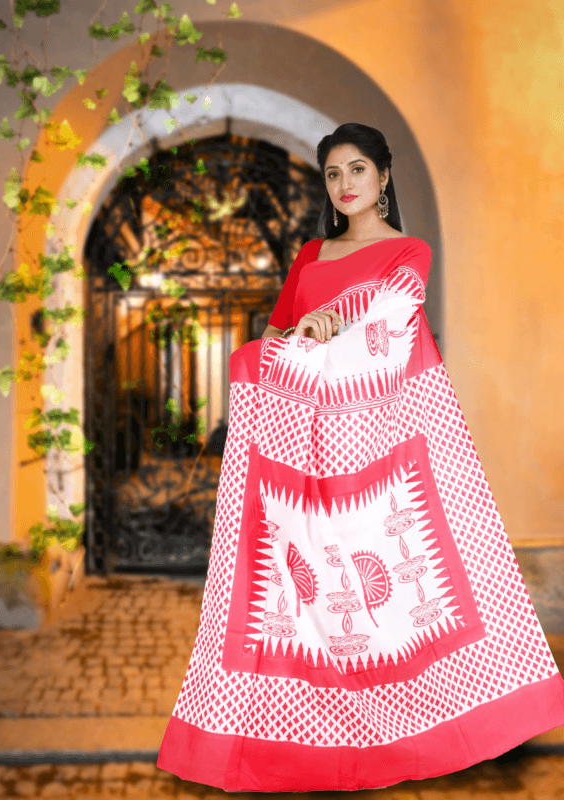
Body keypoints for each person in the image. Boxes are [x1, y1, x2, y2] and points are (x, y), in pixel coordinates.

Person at [157, 123, 564, 791]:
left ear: (383, 177)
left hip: (373, 444)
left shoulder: (409, 251)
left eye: (356, 171)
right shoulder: (311, 254)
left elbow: (392, 316)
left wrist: (332, 325)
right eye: (333, 175)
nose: (345, 185)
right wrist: (297, 337)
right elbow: (279, 337)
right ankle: (296, 731)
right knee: (284, 585)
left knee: (413, 588)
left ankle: (428, 716)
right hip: (302, 451)